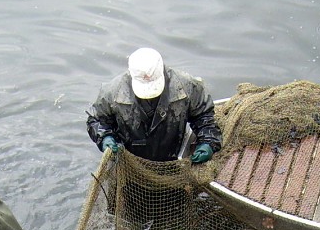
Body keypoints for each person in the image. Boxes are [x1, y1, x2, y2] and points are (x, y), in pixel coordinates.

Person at [86, 47, 222, 163]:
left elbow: (204, 117)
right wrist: (105, 138)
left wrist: (208, 142)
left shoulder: (188, 86)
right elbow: (96, 120)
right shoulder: (112, 92)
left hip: (172, 158)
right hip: (128, 161)